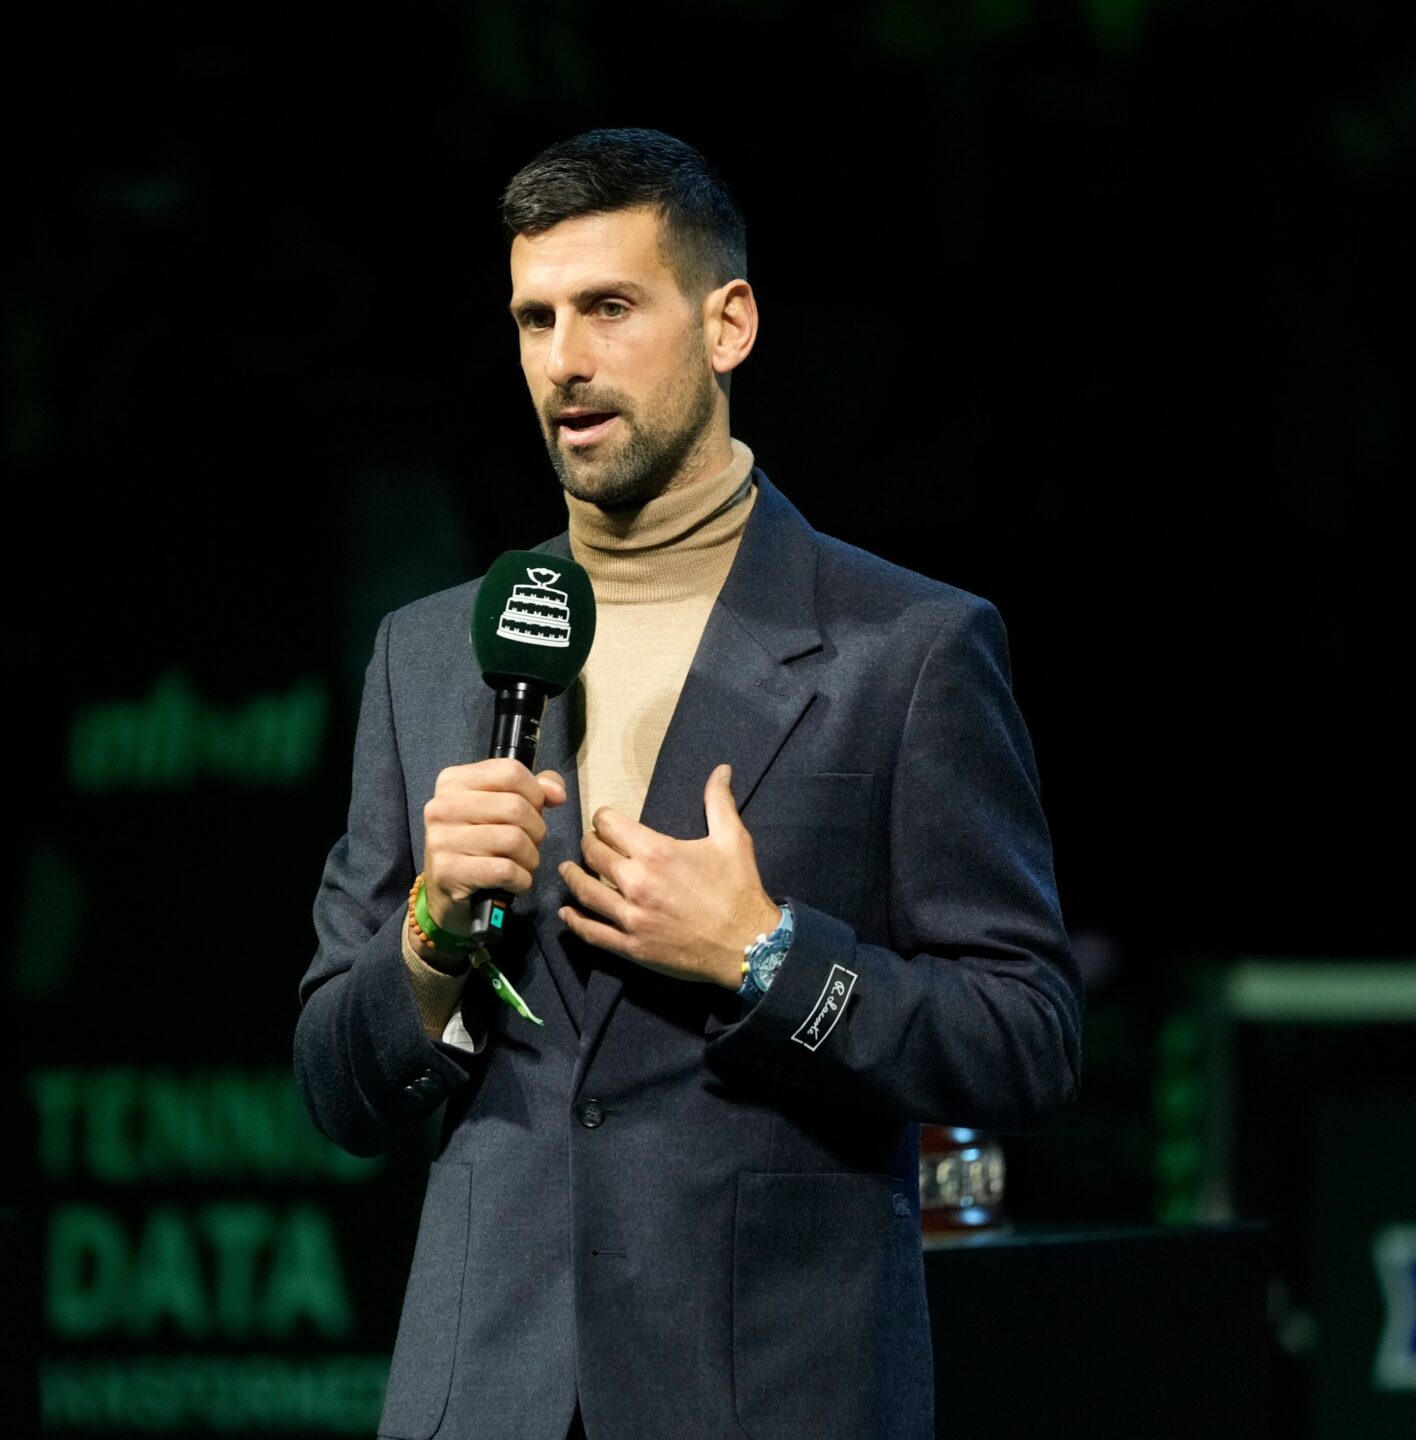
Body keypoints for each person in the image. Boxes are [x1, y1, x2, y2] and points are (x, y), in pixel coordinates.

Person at [295, 128, 1082, 1440]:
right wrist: (428, 934)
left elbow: (1028, 1038)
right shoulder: (431, 654)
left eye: (610, 307)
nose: (566, 360)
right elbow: (337, 1088)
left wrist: (769, 959)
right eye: (535, 318)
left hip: (768, 1398)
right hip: (481, 1401)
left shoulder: (909, 648)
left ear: (729, 324)